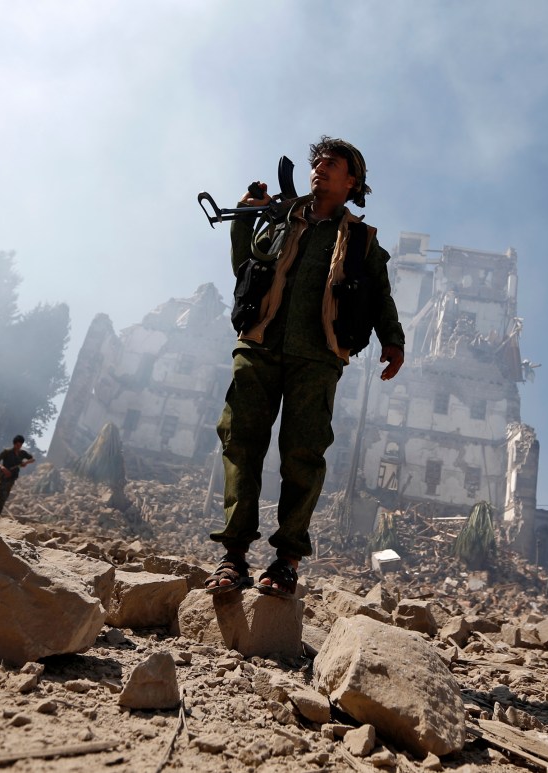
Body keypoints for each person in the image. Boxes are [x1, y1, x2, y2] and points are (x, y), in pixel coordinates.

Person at [205, 136, 405, 598]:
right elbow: (246, 269)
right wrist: (248, 215)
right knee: (240, 443)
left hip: (317, 357)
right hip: (258, 344)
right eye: (316, 162)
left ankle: (286, 559)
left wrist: (392, 340)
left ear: (351, 180)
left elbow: (380, 294)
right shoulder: (279, 218)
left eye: (331, 164)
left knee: (303, 455)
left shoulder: (361, 239)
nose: (319, 168)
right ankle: (233, 556)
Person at [0, 434, 35, 515]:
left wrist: (25, 463)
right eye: (17, 444)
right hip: (4, 476)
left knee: (5, 496)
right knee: (2, 495)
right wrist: (2, 468)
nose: (19, 446)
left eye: (21, 445)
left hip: (12, 477)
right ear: (14, 444)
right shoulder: (7, 452)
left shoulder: (22, 453)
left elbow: (32, 459)